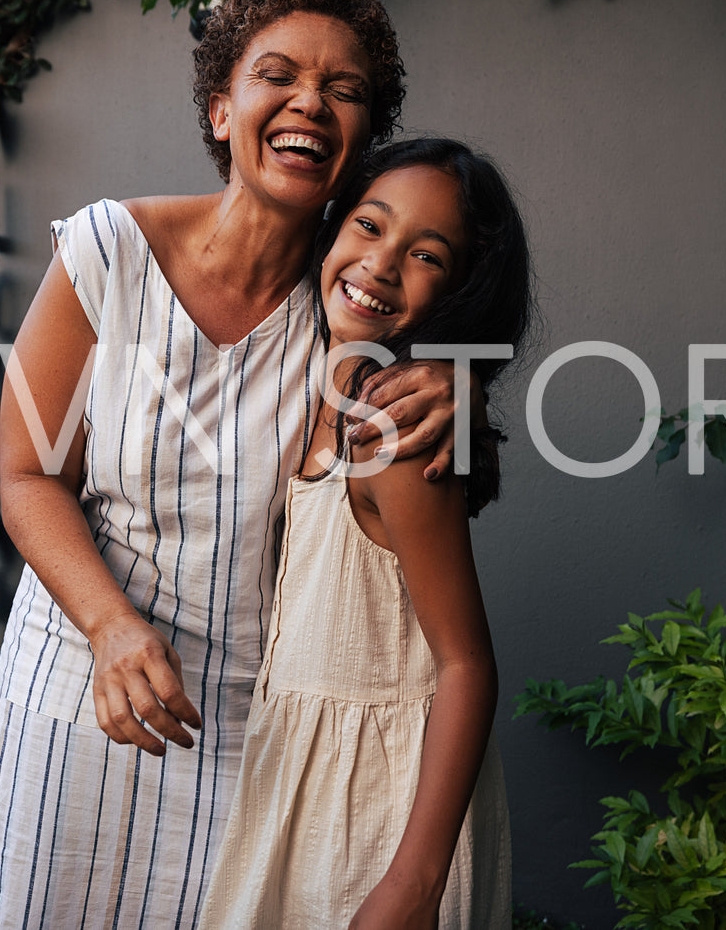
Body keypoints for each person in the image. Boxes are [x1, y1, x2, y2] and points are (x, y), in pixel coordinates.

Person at [0, 0, 473, 928]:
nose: (309, 104)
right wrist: (112, 630)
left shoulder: (353, 307)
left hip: (254, 729)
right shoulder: (106, 251)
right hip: (78, 698)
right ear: (221, 110)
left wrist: (453, 371)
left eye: (345, 90)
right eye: (278, 76)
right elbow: (29, 475)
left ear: (365, 138)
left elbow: (430, 335)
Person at [200, 138, 532, 929]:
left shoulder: (391, 426)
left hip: (383, 802)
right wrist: (467, 378)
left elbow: (467, 664)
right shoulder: (321, 372)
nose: (381, 264)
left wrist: (411, 886)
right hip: (302, 774)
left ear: (460, 290)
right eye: (369, 225)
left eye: (425, 254)